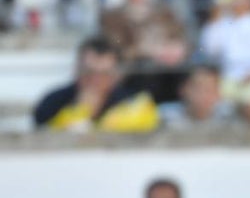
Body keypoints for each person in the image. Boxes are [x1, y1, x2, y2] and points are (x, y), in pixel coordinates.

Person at [98, 0, 188, 104]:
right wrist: (148, 51)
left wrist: (178, 48)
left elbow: (180, 37)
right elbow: (116, 47)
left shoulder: (165, 10)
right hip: (134, 74)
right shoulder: (111, 15)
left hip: (168, 71)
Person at [32, 35, 161, 133]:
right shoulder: (53, 101)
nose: (96, 79)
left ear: (117, 75)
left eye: (104, 73)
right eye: (89, 72)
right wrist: (80, 110)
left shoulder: (136, 101)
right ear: (77, 69)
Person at [159, 61, 236, 128]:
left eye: (209, 89)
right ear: (183, 89)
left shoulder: (230, 115)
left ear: (219, 93)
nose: (203, 95)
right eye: (198, 88)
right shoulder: (165, 117)